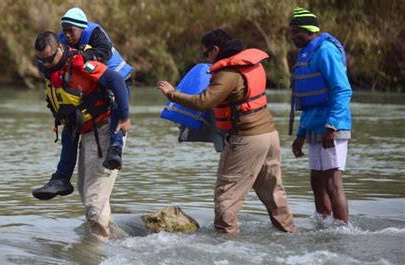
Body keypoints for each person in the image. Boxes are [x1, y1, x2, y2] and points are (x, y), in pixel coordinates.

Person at [157, 28, 298, 234]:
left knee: (226, 196)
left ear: (215, 49)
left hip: (246, 139)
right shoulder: (252, 64)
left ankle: (226, 243)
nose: (207, 58)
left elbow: (203, 101)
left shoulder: (227, 72)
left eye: (207, 53)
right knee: (273, 192)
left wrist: (172, 94)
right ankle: (289, 234)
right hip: (269, 136)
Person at [33, 31, 130, 239]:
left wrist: (124, 117)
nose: (46, 64)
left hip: (104, 130)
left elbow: (117, 81)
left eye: (49, 59)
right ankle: (119, 245)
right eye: (41, 60)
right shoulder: (52, 69)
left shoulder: (80, 64)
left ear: (60, 48)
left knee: (94, 203)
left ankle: (93, 254)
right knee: (88, 196)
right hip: (84, 132)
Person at [288, 7, 352, 223]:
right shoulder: (306, 54)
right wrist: (300, 135)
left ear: (310, 30)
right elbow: (308, 102)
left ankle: (342, 230)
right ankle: (324, 225)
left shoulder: (325, 51)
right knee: (316, 180)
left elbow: (342, 89)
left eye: (296, 31)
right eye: (291, 32)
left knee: (333, 181)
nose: (293, 37)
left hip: (332, 127)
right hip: (314, 126)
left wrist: (332, 126)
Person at [59, 7, 133, 170]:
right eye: (64, 31)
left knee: (118, 110)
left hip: (119, 80)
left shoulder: (94, 32)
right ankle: (61, 176)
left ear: (82, 28)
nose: (67, 35)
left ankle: (115, 149)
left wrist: (83, 56)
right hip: (98, 83)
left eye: (71, 31)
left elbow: (104, 52)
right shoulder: (63, 39)